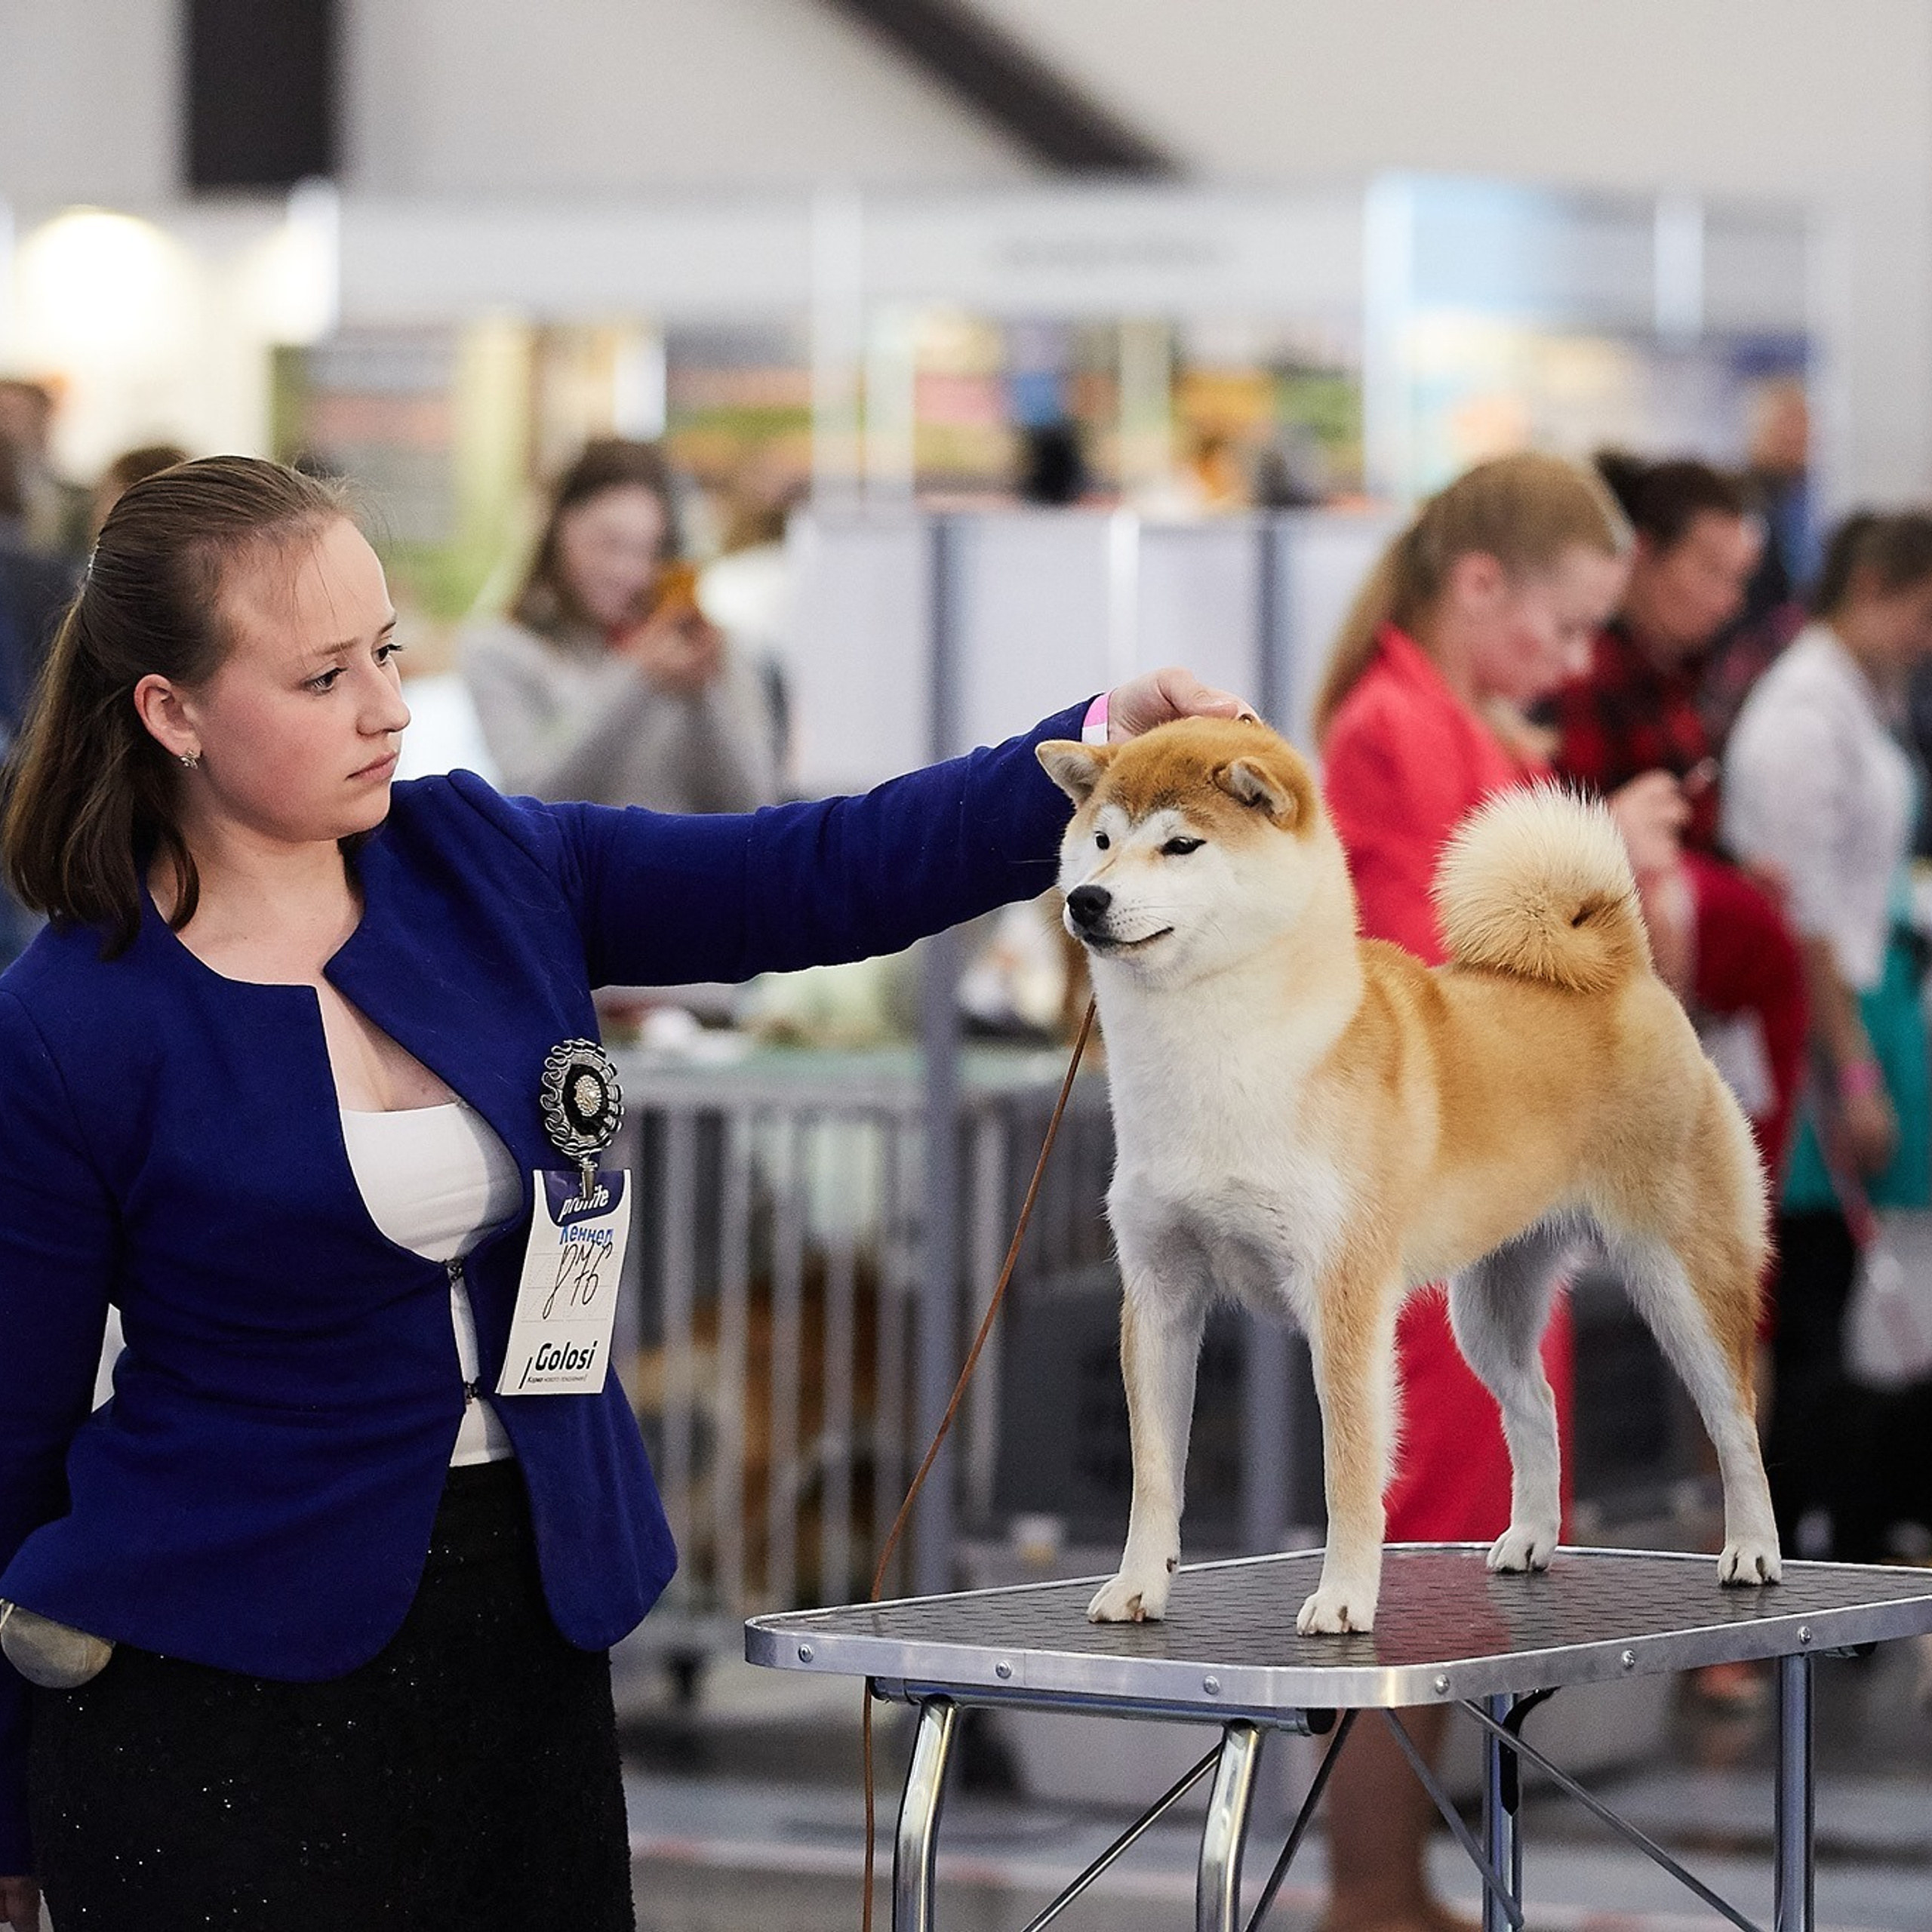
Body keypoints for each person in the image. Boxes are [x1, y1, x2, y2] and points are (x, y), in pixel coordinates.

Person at [0, 454, 1249, 1932]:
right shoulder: (69, 1017)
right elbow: (13, 1429)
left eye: (389, 650)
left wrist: (1097, 744)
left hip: (528, 1618)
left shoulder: (486, 856)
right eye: (324, 675)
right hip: (211, 1673)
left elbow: (815, 870)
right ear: (173, 710)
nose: (387, 703)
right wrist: (5, 1818)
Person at [1311, 451, 1687, 1932]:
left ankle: (1394, 1883)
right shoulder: (1390, 727)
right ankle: (1366, 1892)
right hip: (1425, 1212)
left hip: (1488, 1207)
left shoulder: (1457, 723)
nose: (1577, 660)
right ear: (1481, 586)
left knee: (1464, 1569)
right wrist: (1598, 880)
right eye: (1565, 623)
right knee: (1414, 1566)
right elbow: (1412, 970)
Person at [1724, 509, 1932, 1559]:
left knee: (1838, 1297)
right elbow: (1798, 918)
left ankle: (1838, 1544)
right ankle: (1792, 1552)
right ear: (1890, 585)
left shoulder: (1862, 696)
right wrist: (1850, 1069)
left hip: (1867, 1009)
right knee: (1803, 1305)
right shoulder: (1804, 713)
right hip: (1820, 1034)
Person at [1546, 454, 1808, 1189]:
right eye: (1708, 570)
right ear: (1642, 555)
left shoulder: (1681, 675)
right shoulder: (1587, 670)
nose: (1725, 599)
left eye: (1737, 578)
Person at [460, 438, 777, 814]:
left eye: (650, 550)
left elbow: (754, 805)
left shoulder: (714, 648)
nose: (632, 572)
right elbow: (530, 798)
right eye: (609, 544)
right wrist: (639, 677)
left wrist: (705, 692)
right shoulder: (501, 650)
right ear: (558, 532)